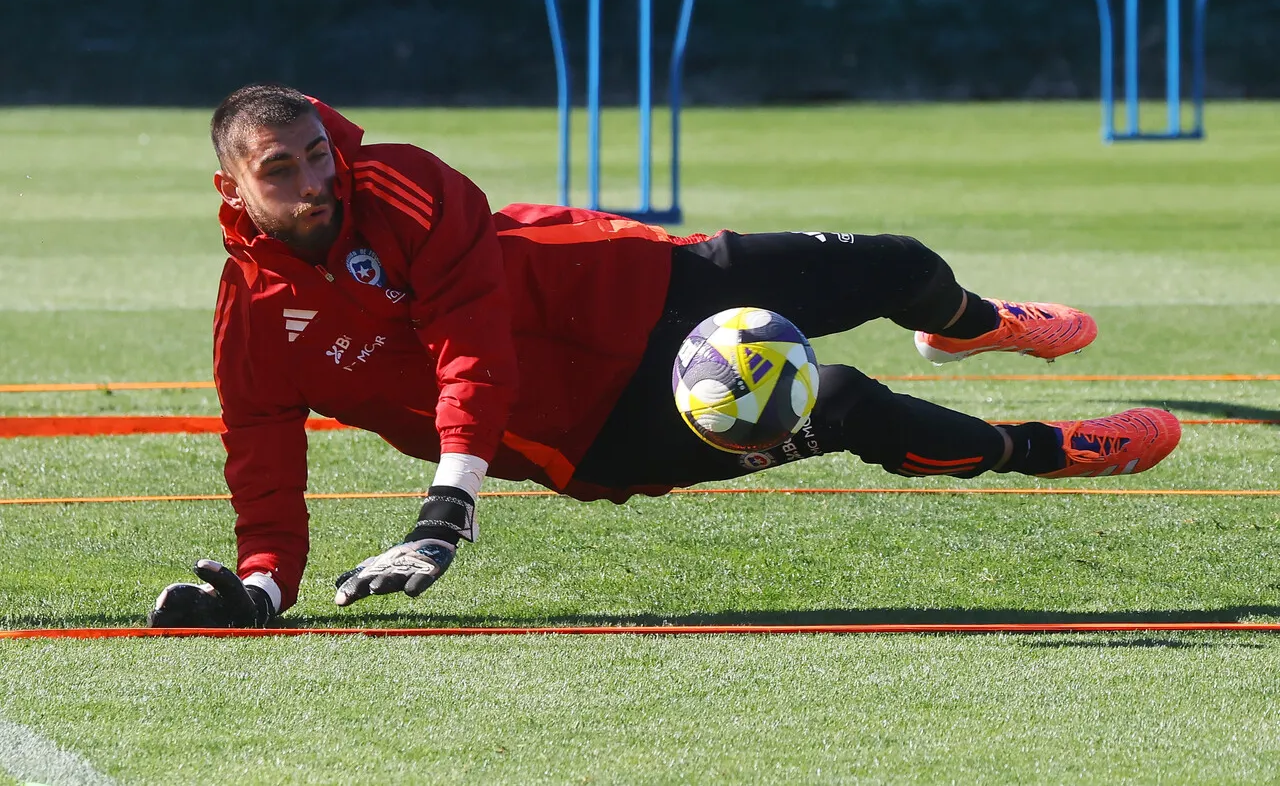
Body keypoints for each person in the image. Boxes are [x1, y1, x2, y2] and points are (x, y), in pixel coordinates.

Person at [147, 83, 1181, 628]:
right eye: (281, 170)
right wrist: (260, 586)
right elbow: (265, 475)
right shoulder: (253, 325)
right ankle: (1047, 447)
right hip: (597, 432)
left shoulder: (405, 184)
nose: (315, 181)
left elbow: (472, 345)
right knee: (846, 398)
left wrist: (442, 513)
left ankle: (972, 321)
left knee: (894, 261)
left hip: (636, 279)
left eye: (319, 153)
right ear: (233, 191)